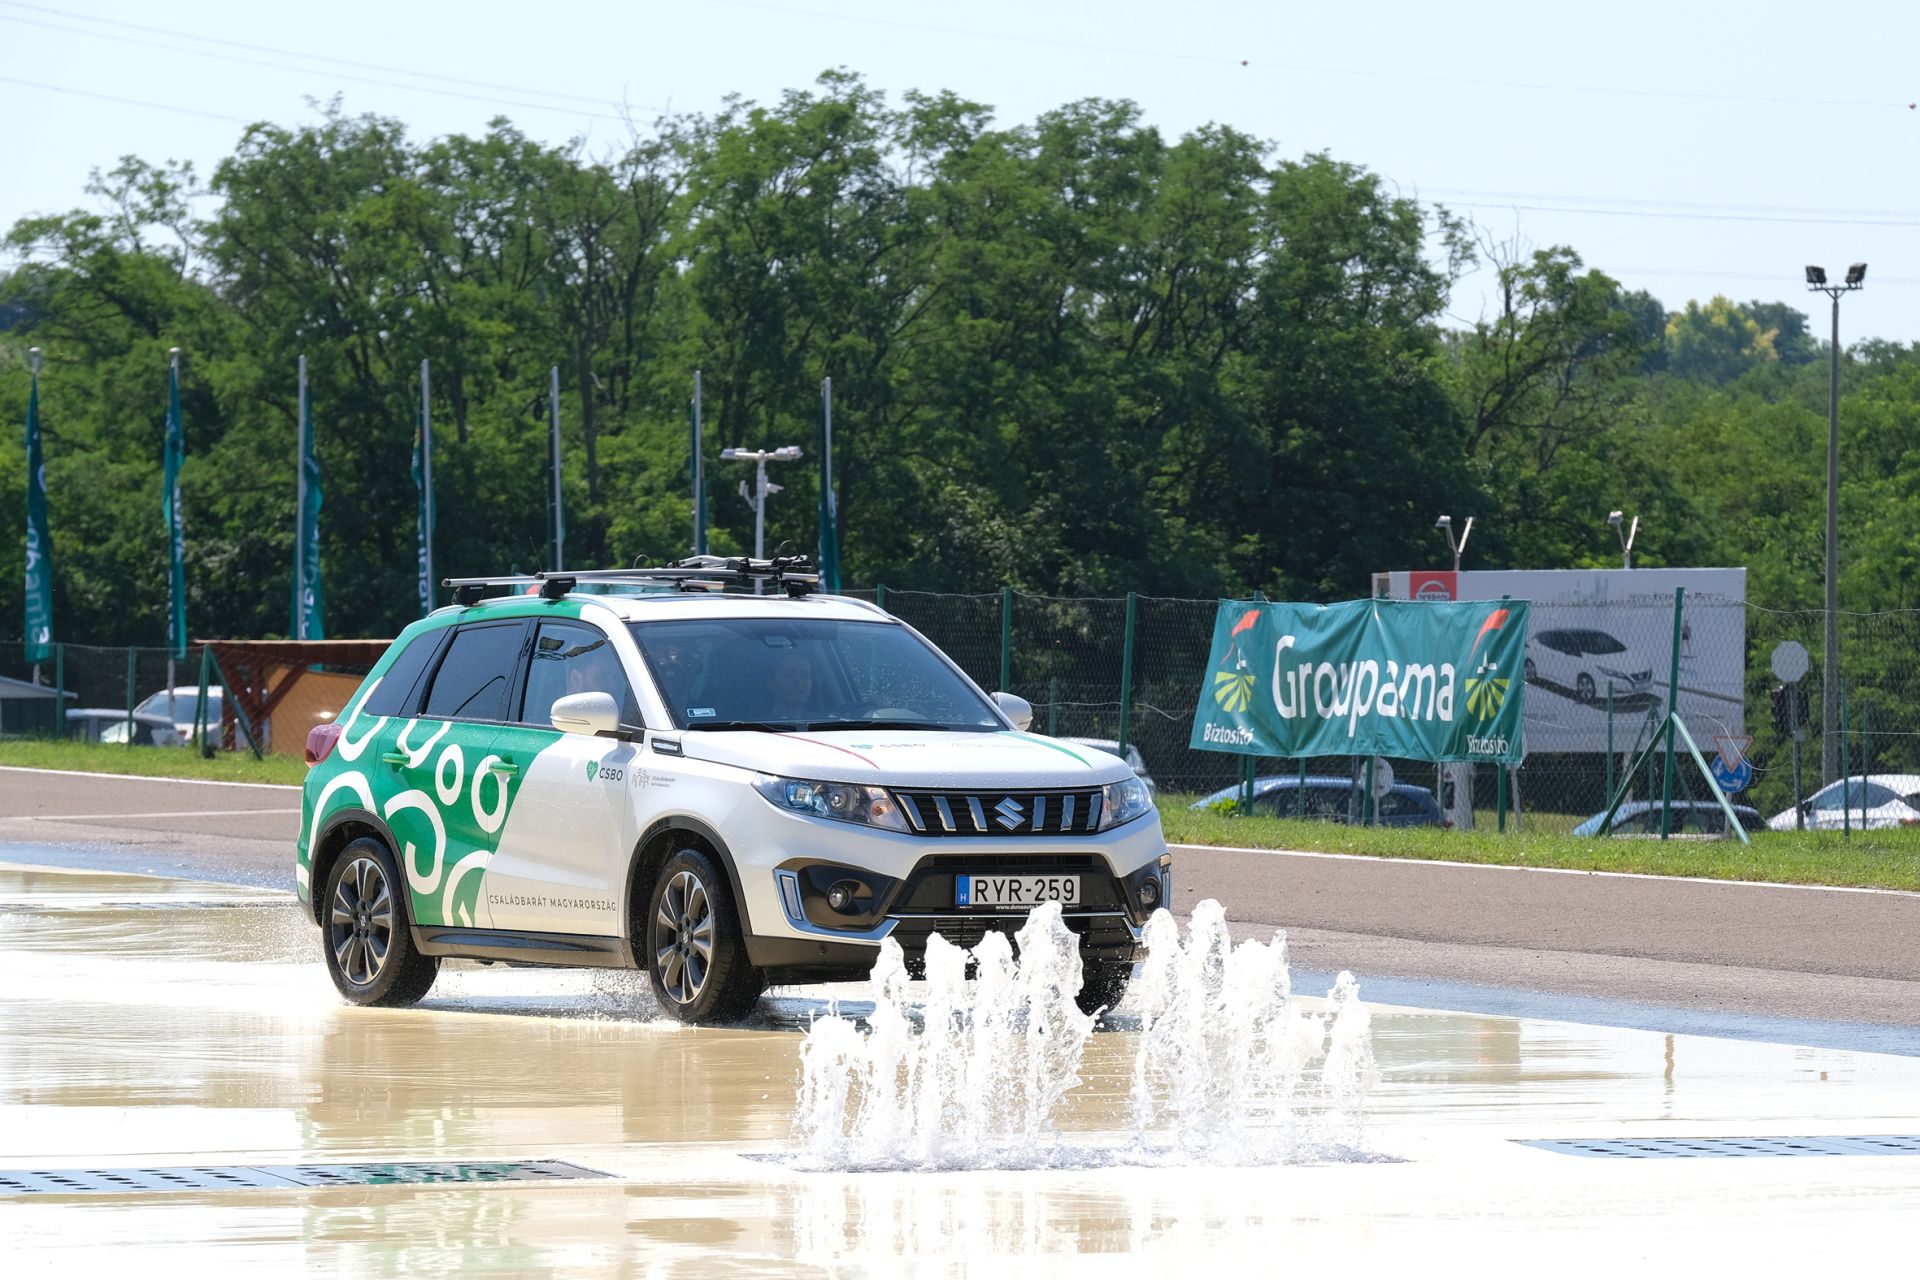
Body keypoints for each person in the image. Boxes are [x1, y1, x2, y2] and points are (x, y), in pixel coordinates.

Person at [767, 651, 817, 721]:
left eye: (805, 675)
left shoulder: (826, 722)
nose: (799, 681)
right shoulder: (753, 721)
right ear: (770, 683)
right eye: (788, 675)